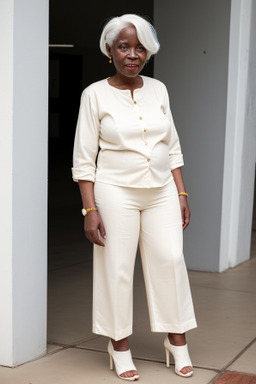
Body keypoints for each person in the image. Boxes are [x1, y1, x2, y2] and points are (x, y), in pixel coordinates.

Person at [72, 14, 197, 381]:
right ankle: (119, 345)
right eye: (124, 46)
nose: (132, 54)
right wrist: (90, 208)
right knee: (117, 268)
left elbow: (171, 146)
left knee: (171, 260)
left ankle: (177, 341)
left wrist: (181, 192)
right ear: (109, 50)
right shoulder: (94, 94)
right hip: (114, 193)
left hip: (161, 192)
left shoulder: (158, 90)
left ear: (148, 51)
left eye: (140, 46)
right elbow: (84, 158)